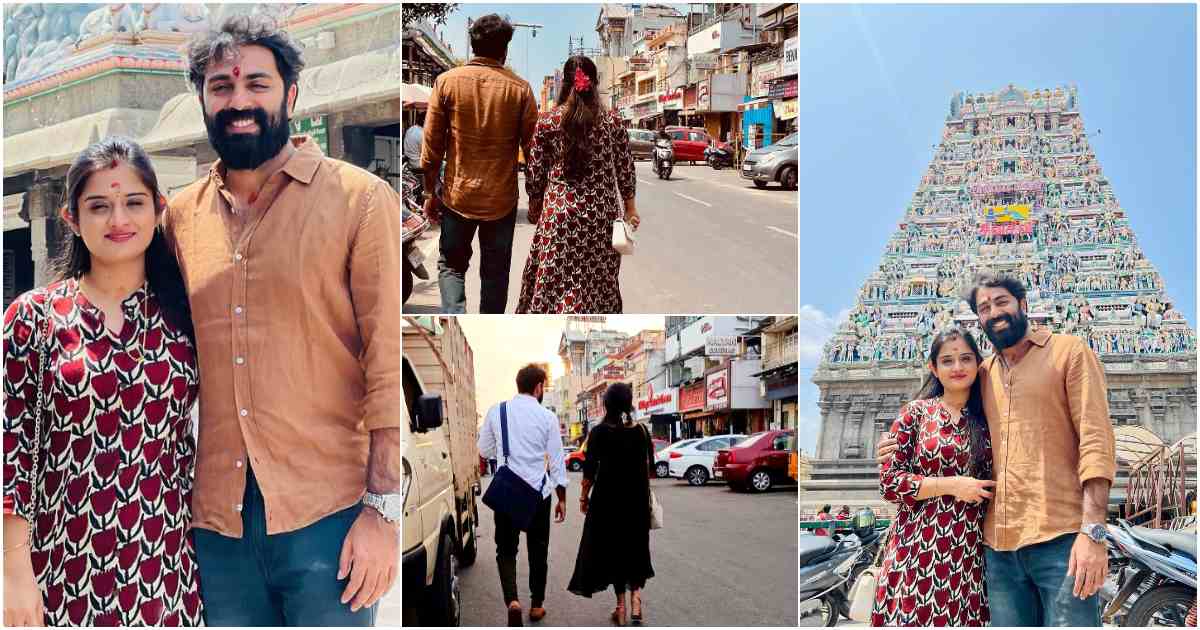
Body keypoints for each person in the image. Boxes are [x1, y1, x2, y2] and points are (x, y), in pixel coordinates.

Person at [167, 15, 402, 625]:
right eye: (220, 87)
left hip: (327, 519)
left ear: (291, 95)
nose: (238, 102)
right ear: (201, 99)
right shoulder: (178, 220)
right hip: (216, 527)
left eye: (257, 85)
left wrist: (382, 511)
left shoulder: (359, 200)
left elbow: (382, 366)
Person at [3, 137, 202, 625]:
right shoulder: (35, 318)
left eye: (134, 203)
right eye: (99, 206)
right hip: (62, 569)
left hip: (167, 566)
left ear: (158, 210)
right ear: (71, 217)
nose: (119, 220)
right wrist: (14, 570)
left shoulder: (187, 316)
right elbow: (11, 452)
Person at [878, 273, 1116, 627]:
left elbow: (1096, 442)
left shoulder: (1069, 352)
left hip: (1061, 539)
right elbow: (942, 411)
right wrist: (894, 440)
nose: (993, 312)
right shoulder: (983, 374)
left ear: (1023, 304)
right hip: (995, 546)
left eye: (1001, 302)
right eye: (983, 308)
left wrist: (1094, 532)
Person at [873, 327, 993, 627]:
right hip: (916, 548)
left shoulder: (991, 420)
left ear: (978, 364)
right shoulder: (915, 413)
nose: (957, 367)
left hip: (969, 554)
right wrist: (953, 485)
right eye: (947, 360)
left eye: (966, 359)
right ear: (934, 368)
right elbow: (890, 484)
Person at [421, 14, 538, 314]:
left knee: (451, 266)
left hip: (457, 196)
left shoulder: (446, 82)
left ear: (473, 45)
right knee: (495, 275)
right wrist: (536, 198)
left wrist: (428, 194)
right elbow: (535, 152)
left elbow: (432, 147)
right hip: (501, 200)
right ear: (505, 49)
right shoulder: (521, 90)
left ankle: (455, 314)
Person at [516, 55, 640, 314]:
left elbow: (535, 172)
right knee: (598, 284)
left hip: (559, 218)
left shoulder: (548, 121)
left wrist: (535, 204)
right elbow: (625, 169)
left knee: (551, 285)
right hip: (600, 219)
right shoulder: (613, 122)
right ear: (595, 83)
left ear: (565, 84)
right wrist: (630, 208)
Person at [477, 365, 569, 627]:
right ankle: (537, 605)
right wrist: (561, 497)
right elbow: (557, 462)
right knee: (538, 551)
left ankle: (513, 601)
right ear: (539, 386)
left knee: (506, 549)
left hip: (507, 492)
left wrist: (504, 450)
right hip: (539, 494)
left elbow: (483, 449)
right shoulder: (547, 417)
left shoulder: (498, 411)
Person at [568, 383, 655, 626]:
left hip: (607, 503)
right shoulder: (642, 432)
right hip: (636, 502)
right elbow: (649, 469)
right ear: (628, 403)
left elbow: (589, 472)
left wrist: (583, 498)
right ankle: (636, 602)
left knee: (616, 552)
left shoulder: (598, 433)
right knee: (636, 549)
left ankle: (621, 608)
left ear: (606, 404)